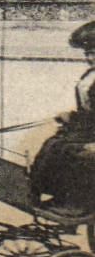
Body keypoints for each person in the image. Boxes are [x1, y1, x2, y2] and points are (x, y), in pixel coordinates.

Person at [29, 19, 95, 214]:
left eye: (93, 53)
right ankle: (37, 190)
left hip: (91, 133)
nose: (90, 58)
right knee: (52, 144)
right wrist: (70, 115)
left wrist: (73, 120)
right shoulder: (89, 76)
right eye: (87, 53)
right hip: (86, 129)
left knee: (70, 151)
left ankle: (76, 203)